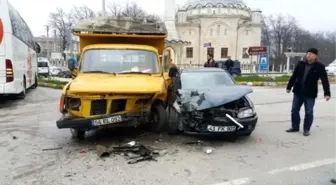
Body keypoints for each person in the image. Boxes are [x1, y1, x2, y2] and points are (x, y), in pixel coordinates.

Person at [286, 48, 330, 136]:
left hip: (310, 93)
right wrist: (289, 86)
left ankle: (306, 129)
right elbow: (294, 76)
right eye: (308, 54)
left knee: (309, 112)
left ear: (315, 56)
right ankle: (295, 127)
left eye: (311, 54)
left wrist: (327, 93)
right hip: (298, 92)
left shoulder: (319, 66)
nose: (308, 55)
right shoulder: (301, 64)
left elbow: (324, 80)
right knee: (294, 110)